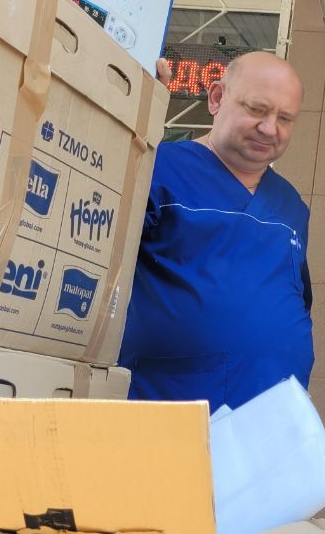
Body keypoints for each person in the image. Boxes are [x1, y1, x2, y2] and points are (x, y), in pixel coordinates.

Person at [118, 51, 313, 413]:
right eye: (257, 109)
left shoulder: (291, 205)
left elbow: (294, 297)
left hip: (271, 416)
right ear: (217, 98)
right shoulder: (156, 168)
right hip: (168, 404)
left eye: (285, 118)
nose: (270, 128)